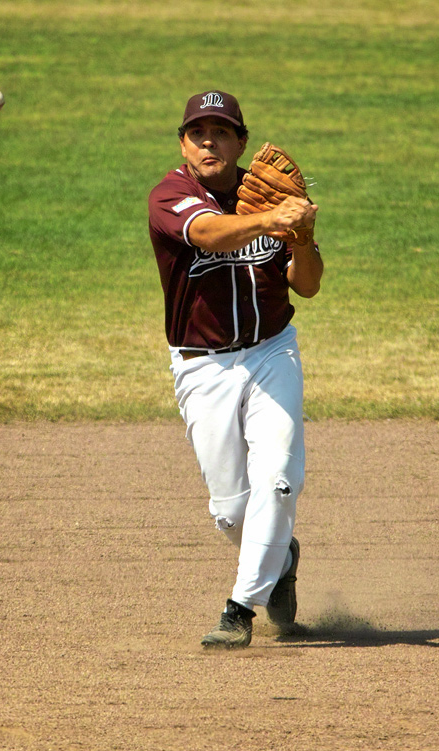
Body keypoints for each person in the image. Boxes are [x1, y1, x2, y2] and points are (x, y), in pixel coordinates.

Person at [147, 90, 324, 649]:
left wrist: (305, 238)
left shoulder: (271, 193)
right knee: (231, 514)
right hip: (204, 369)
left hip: (272, 353)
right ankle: (282, 556)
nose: (209, 142)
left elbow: (308, 284)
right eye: (198, 133)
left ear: (240, 142)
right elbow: (206, 233)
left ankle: (240, 609)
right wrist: (273, 218)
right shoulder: (172, 195)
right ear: (183, 143)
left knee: (277, 480)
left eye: (221, 133)